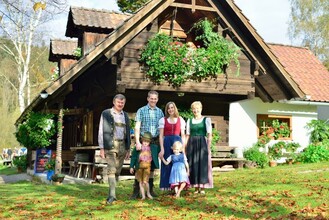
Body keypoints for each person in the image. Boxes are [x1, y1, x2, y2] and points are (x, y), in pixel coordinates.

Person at [98, 94, 131, 204]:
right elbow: (101, 131)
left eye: (122, 103)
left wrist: (128, 149)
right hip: (111, 145)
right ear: (114, 102)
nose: (120, 104)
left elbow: (128, 133)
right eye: (118, 102)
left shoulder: (125, 115)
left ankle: (113, 192)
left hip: (122, 145)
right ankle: (112, 195)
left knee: (117, 170)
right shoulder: (106, 113)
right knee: (111, 169)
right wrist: (102, 148)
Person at [130, 90, 164, 199]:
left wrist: (161, 146)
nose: (153, 100)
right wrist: (137, 142)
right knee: (139, 165)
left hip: (154, 142)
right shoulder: (141, 110)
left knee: (152, 166)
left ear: (157, 99)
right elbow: (137, 127)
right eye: (151, 98)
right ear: (148, 99)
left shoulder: (160, 112)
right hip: (143, 142)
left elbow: (161, 130)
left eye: (155, 99)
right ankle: (136, 191)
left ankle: (151, 190)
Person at [185, 101, 213, 194]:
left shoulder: (206, 120)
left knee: (202, 164)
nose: (195, 110)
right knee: (193, 164)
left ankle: (203, 187)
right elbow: (187, 135)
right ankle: (196, 187)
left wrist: (208, 147)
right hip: (192, 143)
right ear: (192, 110)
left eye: (197, 108)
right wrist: (185, 147)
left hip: (202, 143)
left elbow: (209, 134)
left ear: (201, 109)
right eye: (194, 109)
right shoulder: (189, 121)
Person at [158, 101, 186, 191]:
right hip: (167, 143)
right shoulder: (163, 120)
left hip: (178, 143)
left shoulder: (180, 119)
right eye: (168, 108)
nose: (170, 109)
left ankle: (179, 185)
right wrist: (162, 149)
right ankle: (167, 186)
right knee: (167, 163)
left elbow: (183, 135)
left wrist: (184, 148)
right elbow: (161, 136)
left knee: (179, 163)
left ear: (175, 108)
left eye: (172, 107)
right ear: (167, 110)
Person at [130, 132, 159, 200]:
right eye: (144, 141)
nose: (145, 143)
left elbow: (159, 150)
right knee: (140, 181)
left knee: (145, 181)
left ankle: (148, 193)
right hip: (139, 166)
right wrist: (131, 166)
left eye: (147, 141)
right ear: (142, 140)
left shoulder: (153, 148)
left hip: (147, 166)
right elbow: (134, 157)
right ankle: (143, 195)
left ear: (150, 142)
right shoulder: (138, 147)